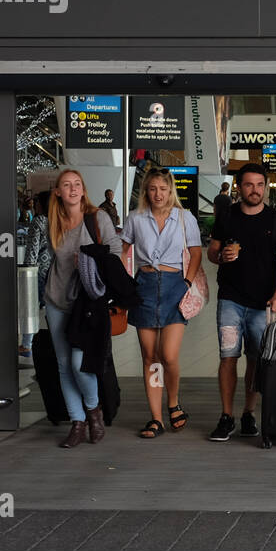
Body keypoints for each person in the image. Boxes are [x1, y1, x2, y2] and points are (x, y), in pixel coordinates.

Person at [207, 163, 276, 441]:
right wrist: (221, 257)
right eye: (248, 185)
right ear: (239, 187)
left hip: (262, 303)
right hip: (230, 298)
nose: (254, 190)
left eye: (259, 185)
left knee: (256, 359)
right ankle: (226, 416)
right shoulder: (227, 216)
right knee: (227, 356)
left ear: (265, 187)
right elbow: (212, 251)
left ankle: (248, 413)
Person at [40, 169, 121, 447]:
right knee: (64, 365)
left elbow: (115, 253)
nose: (73, 189)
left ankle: (93, 409)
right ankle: (77, 423)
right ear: (58, 192)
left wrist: (89, 259)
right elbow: (45, 260)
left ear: (83, 190)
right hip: (56, 300)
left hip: (87, 304)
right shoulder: (51, 221)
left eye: (77, 184)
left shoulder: (97, 218)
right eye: (66, 185)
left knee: (79, 362)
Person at [121, 168, 202, 438]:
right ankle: (156, 418)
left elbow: (195, 251)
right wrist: (125, 282)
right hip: (144, 286)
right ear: (146, 191)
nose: (158, 194)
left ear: (171, 191)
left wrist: (187, 283)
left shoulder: (184, 217)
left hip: (174, 286)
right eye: (153, 189)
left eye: (163, 189)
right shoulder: (136, 218)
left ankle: (173, 401)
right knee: (150, 357)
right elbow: (123, 251)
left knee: (168, 355)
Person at [20, 189, 54, 365]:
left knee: (31, 307)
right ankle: (55, 341)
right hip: (54, 270)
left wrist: (28, 269)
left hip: (39, 269)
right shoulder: (57, 219)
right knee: (51, 308)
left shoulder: (39, 220)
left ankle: (27, 344)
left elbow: (32, 248)